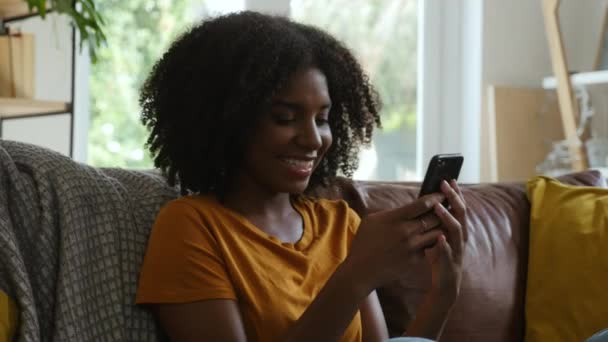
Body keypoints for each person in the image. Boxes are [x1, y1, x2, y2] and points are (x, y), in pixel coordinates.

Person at [135, 11, 467, 342]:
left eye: (322, 119)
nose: (312, 140)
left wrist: (443, 295)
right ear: (227, 121)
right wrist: (355, 276)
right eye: (284, 118)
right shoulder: (191, 227)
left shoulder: (339, 224)